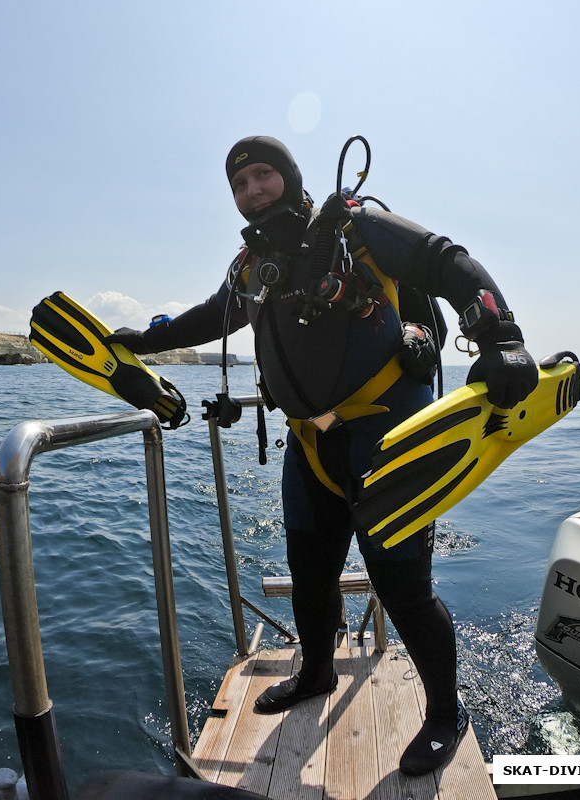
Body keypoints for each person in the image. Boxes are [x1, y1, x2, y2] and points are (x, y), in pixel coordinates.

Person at [109, 136, 538, 775]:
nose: (252, 192)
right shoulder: (251, 267)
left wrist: (500, 337)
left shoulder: (355, 228)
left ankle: (447, 713)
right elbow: (210, 317)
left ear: (289, 177)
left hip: (386, 435)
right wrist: (146, 339)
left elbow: (446, 261)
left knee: (402, 586)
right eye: (239, 185)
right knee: (309, 571)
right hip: (308, 445)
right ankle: (315, 672)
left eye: (263, 176)